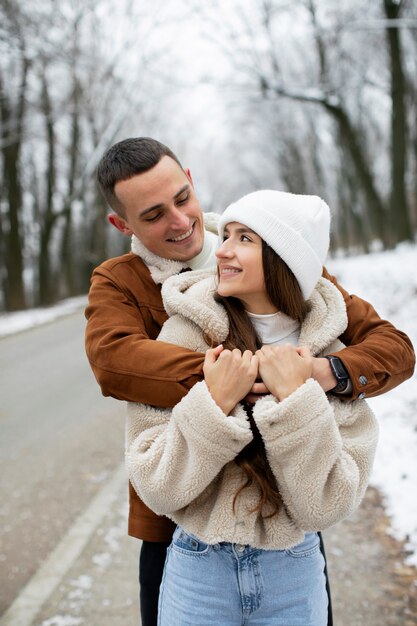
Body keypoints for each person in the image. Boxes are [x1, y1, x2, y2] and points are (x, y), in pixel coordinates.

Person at [84, 137, 415, 626]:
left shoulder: (276, 246)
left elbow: (392, 348)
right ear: (122, 224)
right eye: (153, 215)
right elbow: (113, 361)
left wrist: (322, 373)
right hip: (181, 523)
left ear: (192, 183)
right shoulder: (120, 280)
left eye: (181, 199)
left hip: (284, 514)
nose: (179, 221)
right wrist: (225, 376)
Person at [125, 189, 379, 625]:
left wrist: (298, 401)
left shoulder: (326, 354)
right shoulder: (184, 335)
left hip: (293, 571)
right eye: (226, 235)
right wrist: (214, 402)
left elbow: (325, 508)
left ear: (285, 259)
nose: (220, 250)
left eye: (244, 238)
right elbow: (156, 485)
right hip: (197, 568)